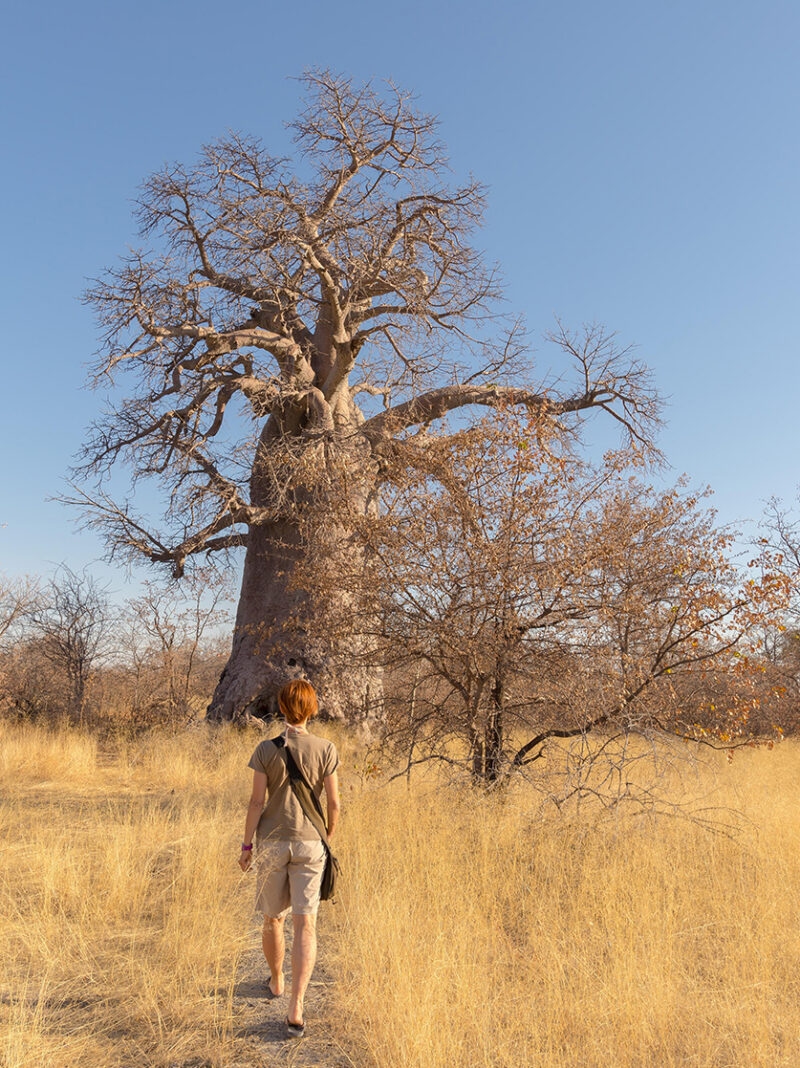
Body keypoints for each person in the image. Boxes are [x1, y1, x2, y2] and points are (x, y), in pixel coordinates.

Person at [239, 679, 340, 1039]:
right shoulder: (327, 748)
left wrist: (247, 845)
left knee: (272, 919)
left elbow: (255, 802)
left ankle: (278, 979)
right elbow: (333, 805)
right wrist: (324, 840)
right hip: (312, 843)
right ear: (312, 709)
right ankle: (296, 1005)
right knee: (306, 925)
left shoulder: (266, 750)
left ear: (281, 708)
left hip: (271, 843)